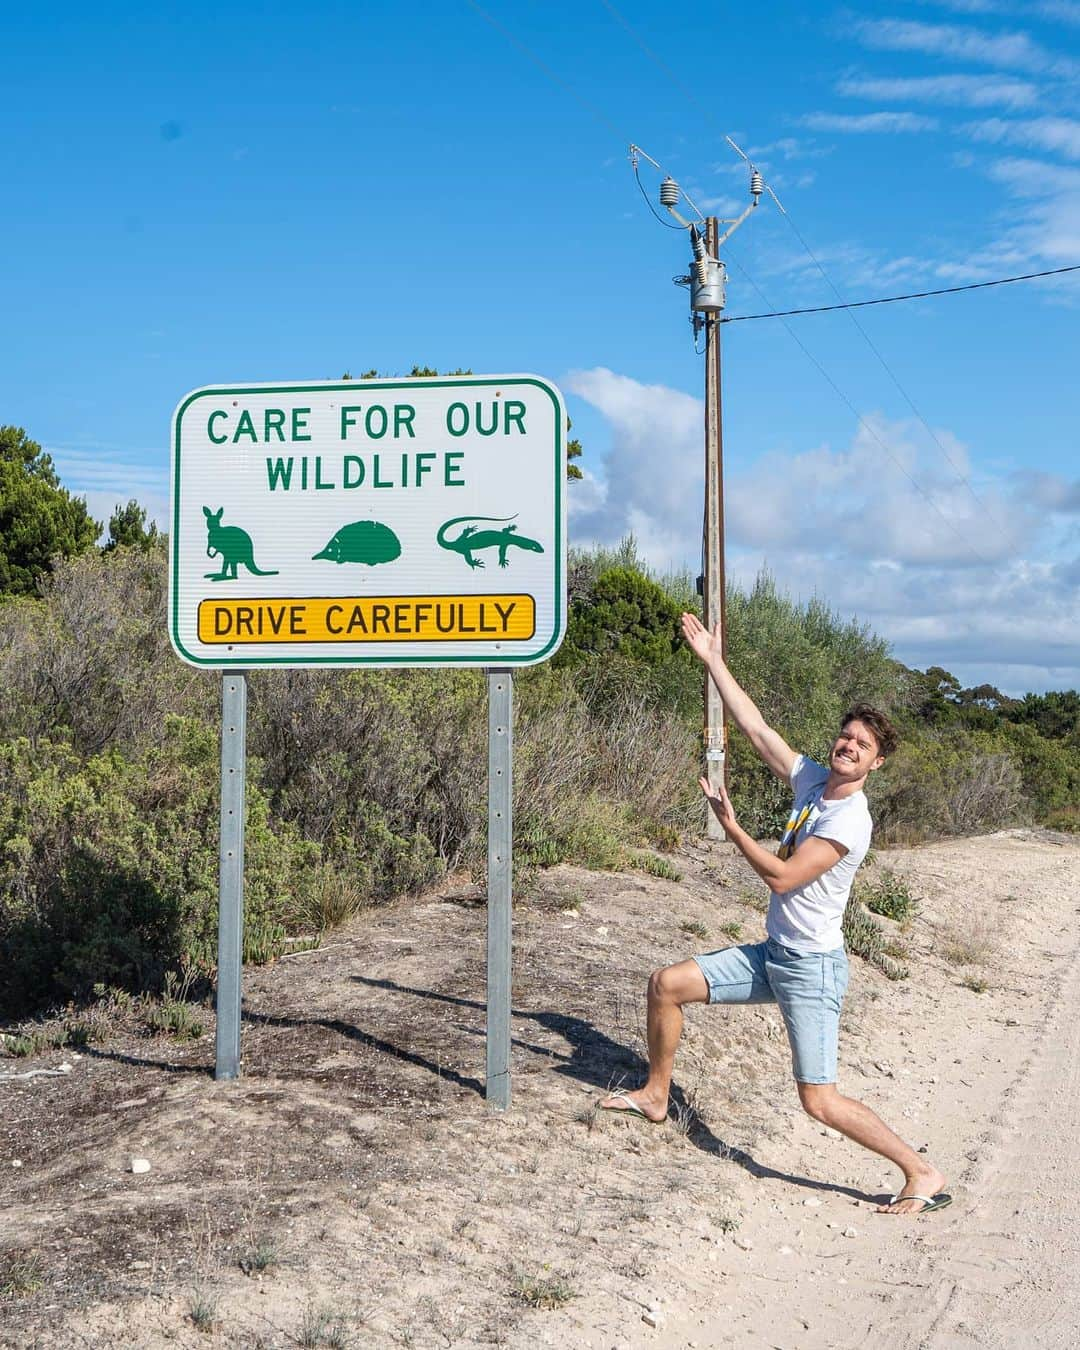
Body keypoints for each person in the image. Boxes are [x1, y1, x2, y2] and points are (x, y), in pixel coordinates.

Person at [599, 611, 950, 1217]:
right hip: (774, 954)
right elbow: (758, 729)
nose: (849, 747)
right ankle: (656, 1095)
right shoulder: (814, 783)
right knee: (666, 984)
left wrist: (730, 825)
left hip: (811, 970)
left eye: (862, 745)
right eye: (846, 737)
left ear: (875, 764)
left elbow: (783, 876)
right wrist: (713, 660)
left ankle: (921, 1171)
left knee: (818, 1100)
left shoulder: (849, 819)